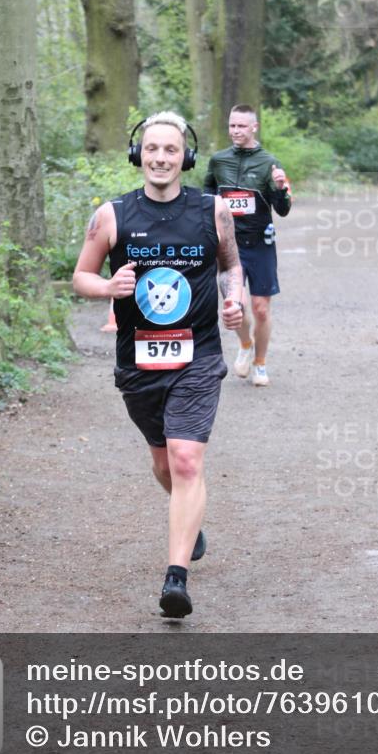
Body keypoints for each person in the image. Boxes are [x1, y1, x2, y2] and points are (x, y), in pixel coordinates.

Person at [73, 111, 244, 619]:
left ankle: (176, 579)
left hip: (199, 356)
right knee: (165, 465)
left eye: (171, 150)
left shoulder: (213, 212)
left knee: (187, 460)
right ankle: (187, 518)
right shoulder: (112, 215)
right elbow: (80, 276)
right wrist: (107, 287)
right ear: (138, 155)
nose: (162, 158)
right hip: (138, 360)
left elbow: (231, 264)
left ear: (185, 157)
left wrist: (232, 300)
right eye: (152, 149)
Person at [203, 104, 291, 387]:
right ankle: (244, 344)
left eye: (242, 126)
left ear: (254, 127)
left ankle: (260, 363)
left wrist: (279, 188)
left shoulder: (269, 162)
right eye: (232, 125)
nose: (236, 131)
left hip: (260, 245)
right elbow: (207, 199)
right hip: (229, 246)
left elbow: (283, 209)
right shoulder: (218, 161)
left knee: (261, 308)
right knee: (234, 305)